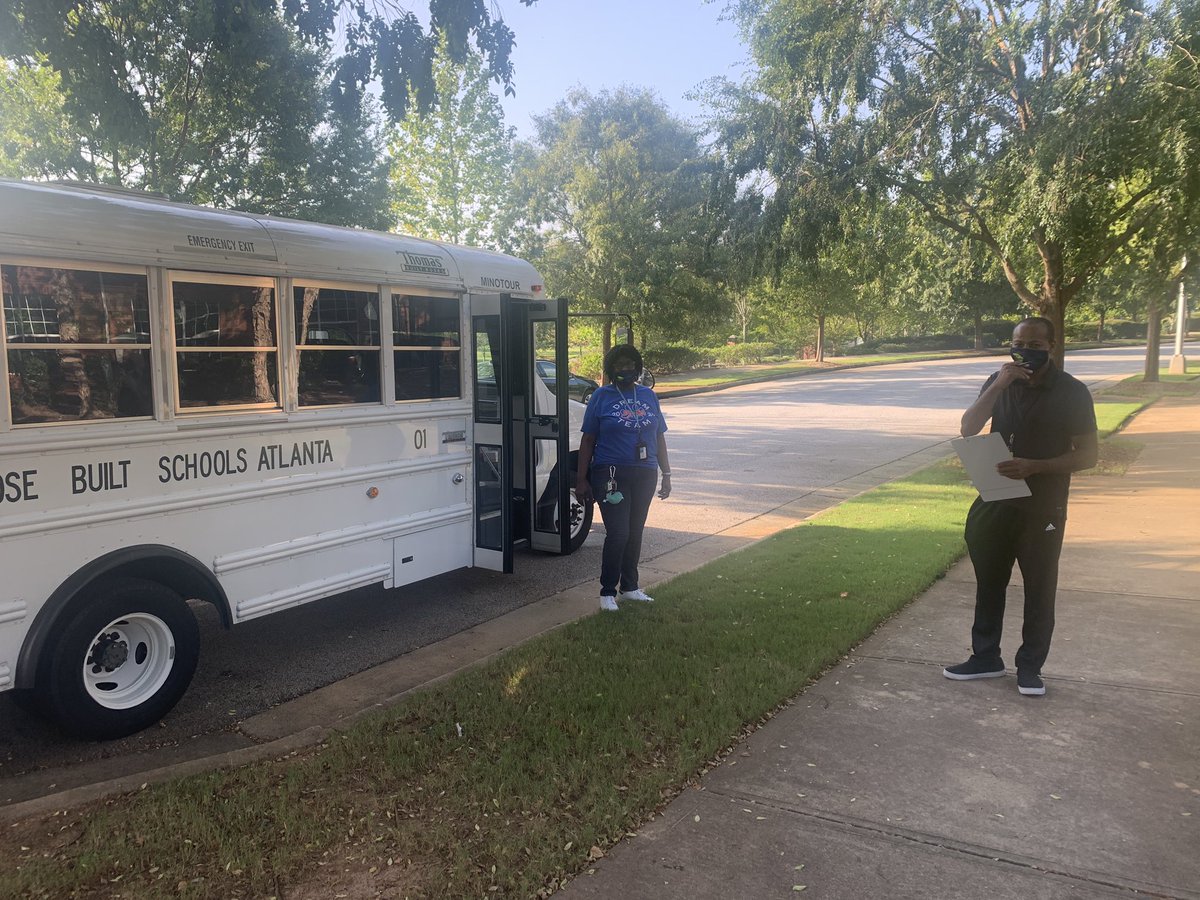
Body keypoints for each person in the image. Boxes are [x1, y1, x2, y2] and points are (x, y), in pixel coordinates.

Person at [944, 317, 1098, 696]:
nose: (1025, 349)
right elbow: (968, 428)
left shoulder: (1072, 392)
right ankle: (985, 658)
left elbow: (1089, 455)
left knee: (1040, 588)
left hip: (1043, 506)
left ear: (1051, 347)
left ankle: (1030, 667)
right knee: (989, 583)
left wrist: (1036, 467)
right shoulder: (1001, 382)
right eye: (1018, 342)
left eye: (1034, 343)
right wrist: (998, 384)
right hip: (995, 499)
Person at [575, 344, 672, 611]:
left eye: (630, 364)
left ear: (638, 368)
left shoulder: (648, 396)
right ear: (610, 369)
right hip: (610, 474)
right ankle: (607, 591)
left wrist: (667, 472)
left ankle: (630, 587)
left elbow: (659, 436)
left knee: (635, 532)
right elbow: (588, 440)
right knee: (618, 533)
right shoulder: (601, 397)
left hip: (645, 473)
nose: (625, 369)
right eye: (619, 365)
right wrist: (581, 479)